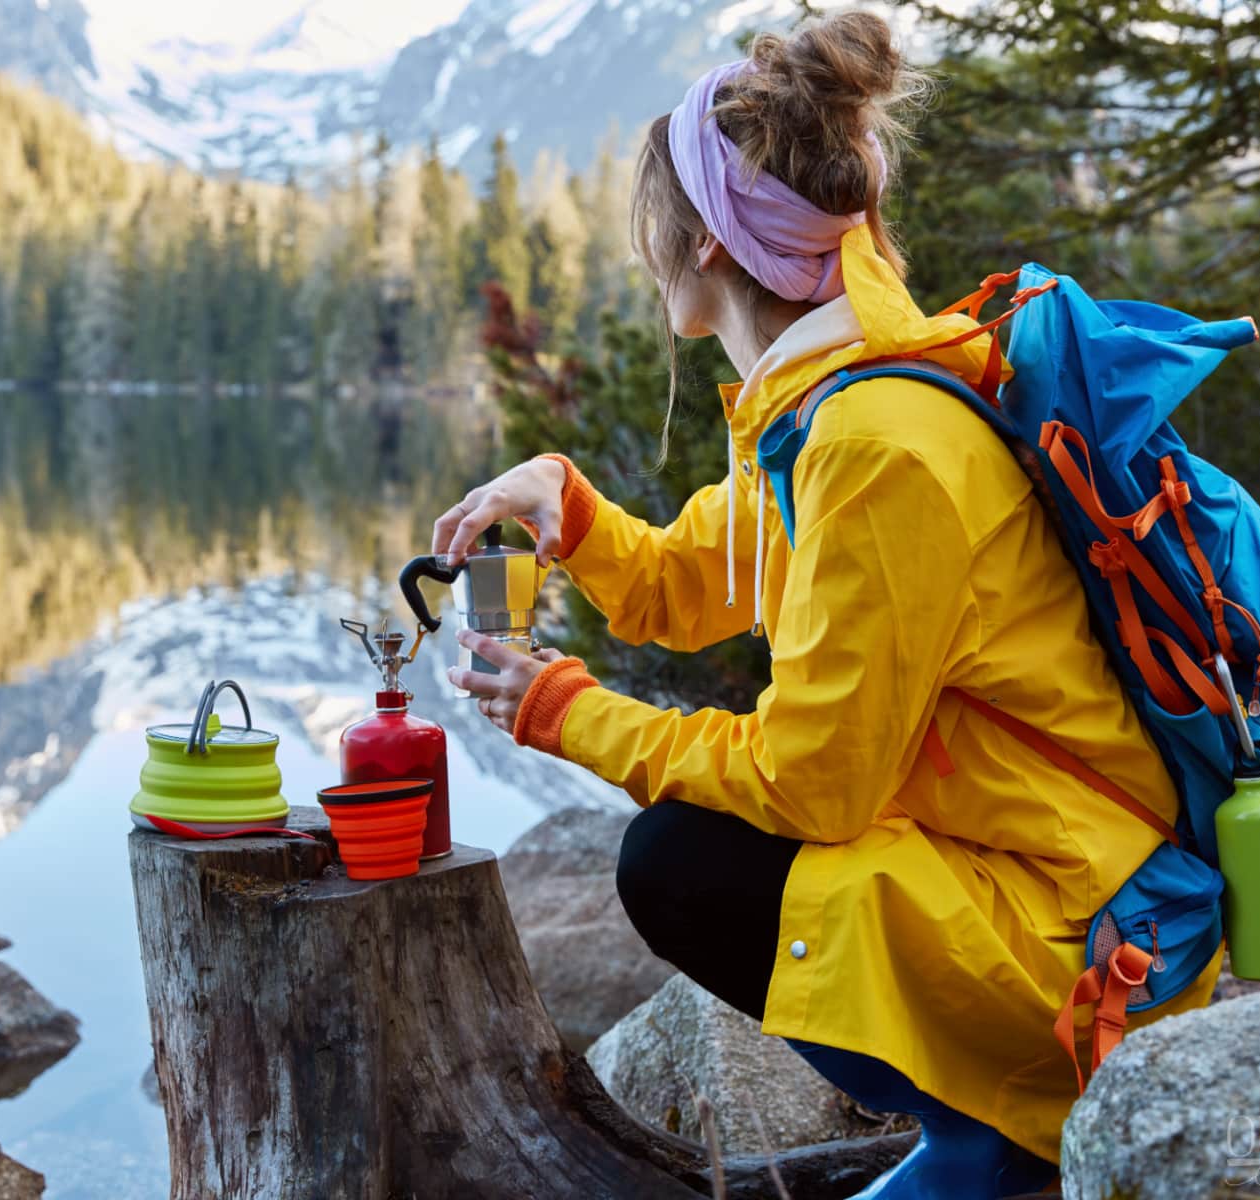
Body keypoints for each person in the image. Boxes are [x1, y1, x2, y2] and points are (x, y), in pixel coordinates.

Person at [430, 12, 1219, 1197]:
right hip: (1015, 859)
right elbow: (688, 582)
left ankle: (1002, 1139)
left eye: (654, 228)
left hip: (1091, 930)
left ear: (704, 244)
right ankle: (977, 1130)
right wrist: (570, 509)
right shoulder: (818, 407)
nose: (645, 255)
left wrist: (566, 712)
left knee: (681, 864)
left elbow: (816, 784)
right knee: (696, 846)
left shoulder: (873, 442)